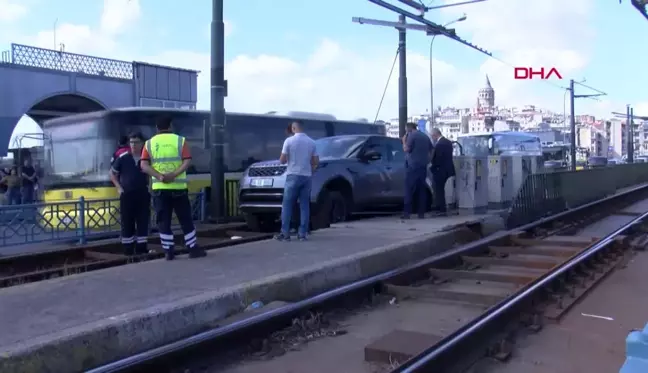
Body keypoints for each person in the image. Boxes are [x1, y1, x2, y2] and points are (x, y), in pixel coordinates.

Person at [140, 116, 206, 260]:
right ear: (170, 126)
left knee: (163, 220)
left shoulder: (149, 144)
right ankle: (192, 249)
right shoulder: (180, 141)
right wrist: (174, 174)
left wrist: (160, 177)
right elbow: (187, 160)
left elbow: (144, 166)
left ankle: (169, 251)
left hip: (160, 189)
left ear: (157, 128)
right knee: (185, 219)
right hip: (178, 188)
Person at [275, 120, 318, 241]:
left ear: (294, 128)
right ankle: (302, 234)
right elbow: (315, 162)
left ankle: (285, 234)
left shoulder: (289, 141)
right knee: (304, 206)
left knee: (287, 205)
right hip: (306, 177)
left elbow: (282, 160)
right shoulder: (312, 142)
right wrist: (310, 170)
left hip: (292, 175)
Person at [110, 132, 151, 256]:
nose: (133, 145)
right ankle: (128, 250)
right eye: (131, 142)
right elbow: (112, 173)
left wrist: (150, 187)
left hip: (143, 194)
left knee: (143, 220)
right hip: (127, 194)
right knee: (127, 222)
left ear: (142, 143)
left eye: (136, 142)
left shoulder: (147, 158)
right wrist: (119, 188)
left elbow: (151, 173)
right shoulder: (123, 158)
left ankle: (141, 248)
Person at [402, 122, 433, 219]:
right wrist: (428, 160)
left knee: (409, 189)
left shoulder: (412, 136)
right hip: (423, 167)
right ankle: (421, 213)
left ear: (408, 129)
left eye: (406, 130)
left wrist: (403, 141)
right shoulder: (425, 136)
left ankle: (407, 213)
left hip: (412, 167)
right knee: (421, 190)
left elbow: (406, 149)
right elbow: (432, 149)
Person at [429, 127, 456, 216]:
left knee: (438, 189)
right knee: (440, 189)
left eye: (432, 136)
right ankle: (441, 207)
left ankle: (441, 209)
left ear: (435, 135)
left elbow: (438, 159)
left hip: (440, 170)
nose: (432, 138)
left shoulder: (439, 144)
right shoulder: (448, 142)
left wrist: (432, 166)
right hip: (448, 169)